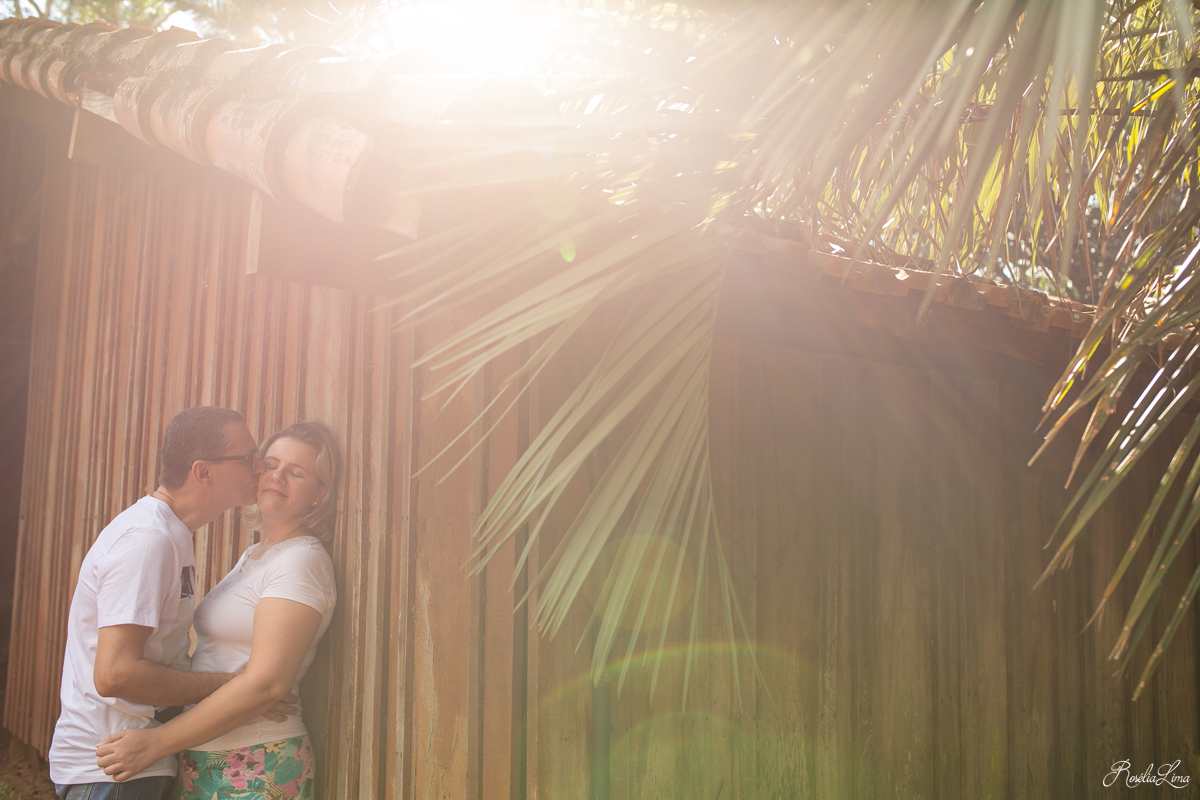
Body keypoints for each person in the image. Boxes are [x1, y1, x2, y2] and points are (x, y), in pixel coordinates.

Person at [96, 421, 341, 800]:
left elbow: (266, 685)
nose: (276, 477)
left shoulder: (301, 561)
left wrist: (156, 743)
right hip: (202, 755)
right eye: (270, 465)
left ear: (319, 493)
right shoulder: (255, 556)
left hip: (258, 758)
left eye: (296, 473)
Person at [50, 406, 280, 800]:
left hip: (126, 764)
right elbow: (115, 674)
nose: (259, 468)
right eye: (248, 458)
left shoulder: (170, 533)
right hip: (113, 768)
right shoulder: (148, 540)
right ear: (203, 471)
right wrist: (235, 687)